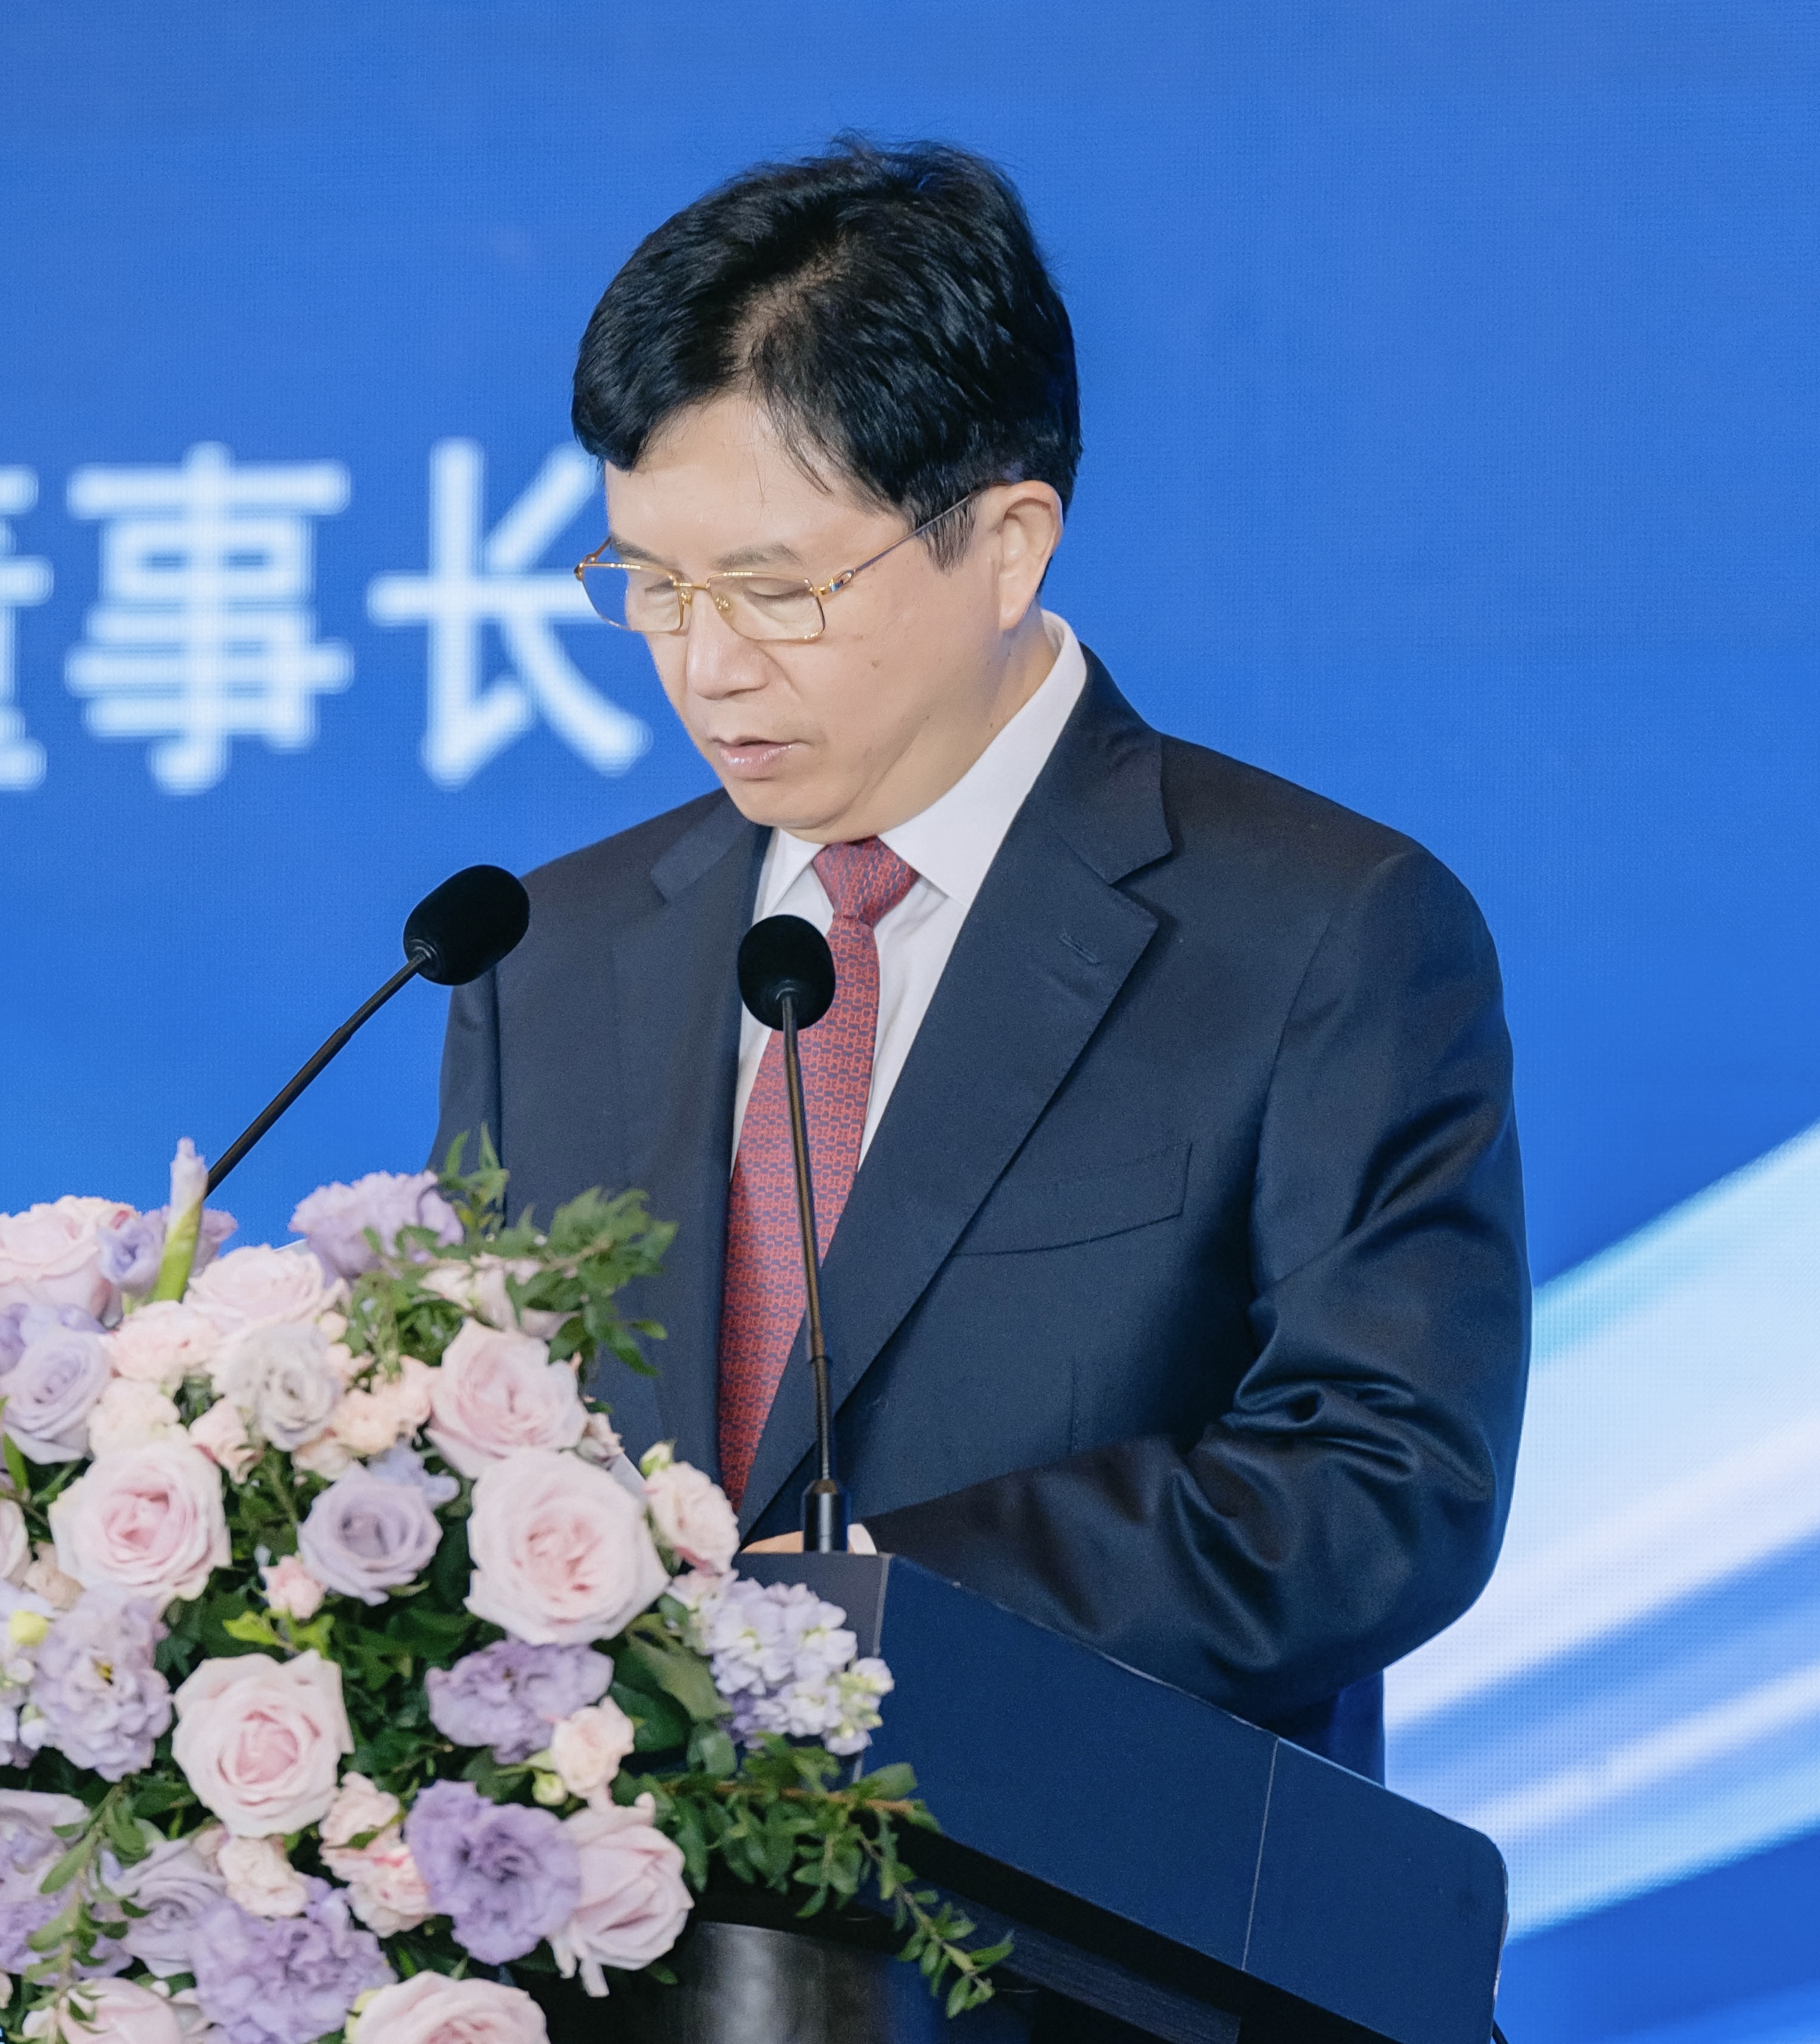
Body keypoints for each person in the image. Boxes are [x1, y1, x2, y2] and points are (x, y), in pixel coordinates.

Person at [430, 140, 1528, 1779]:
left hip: (1091, 1902)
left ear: (1007, 542)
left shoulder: (1321, 929)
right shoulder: (545, 956)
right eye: (648, 587)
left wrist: (851, 1609)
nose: (704, 666)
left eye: (774, 590)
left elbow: (1379, 1486)